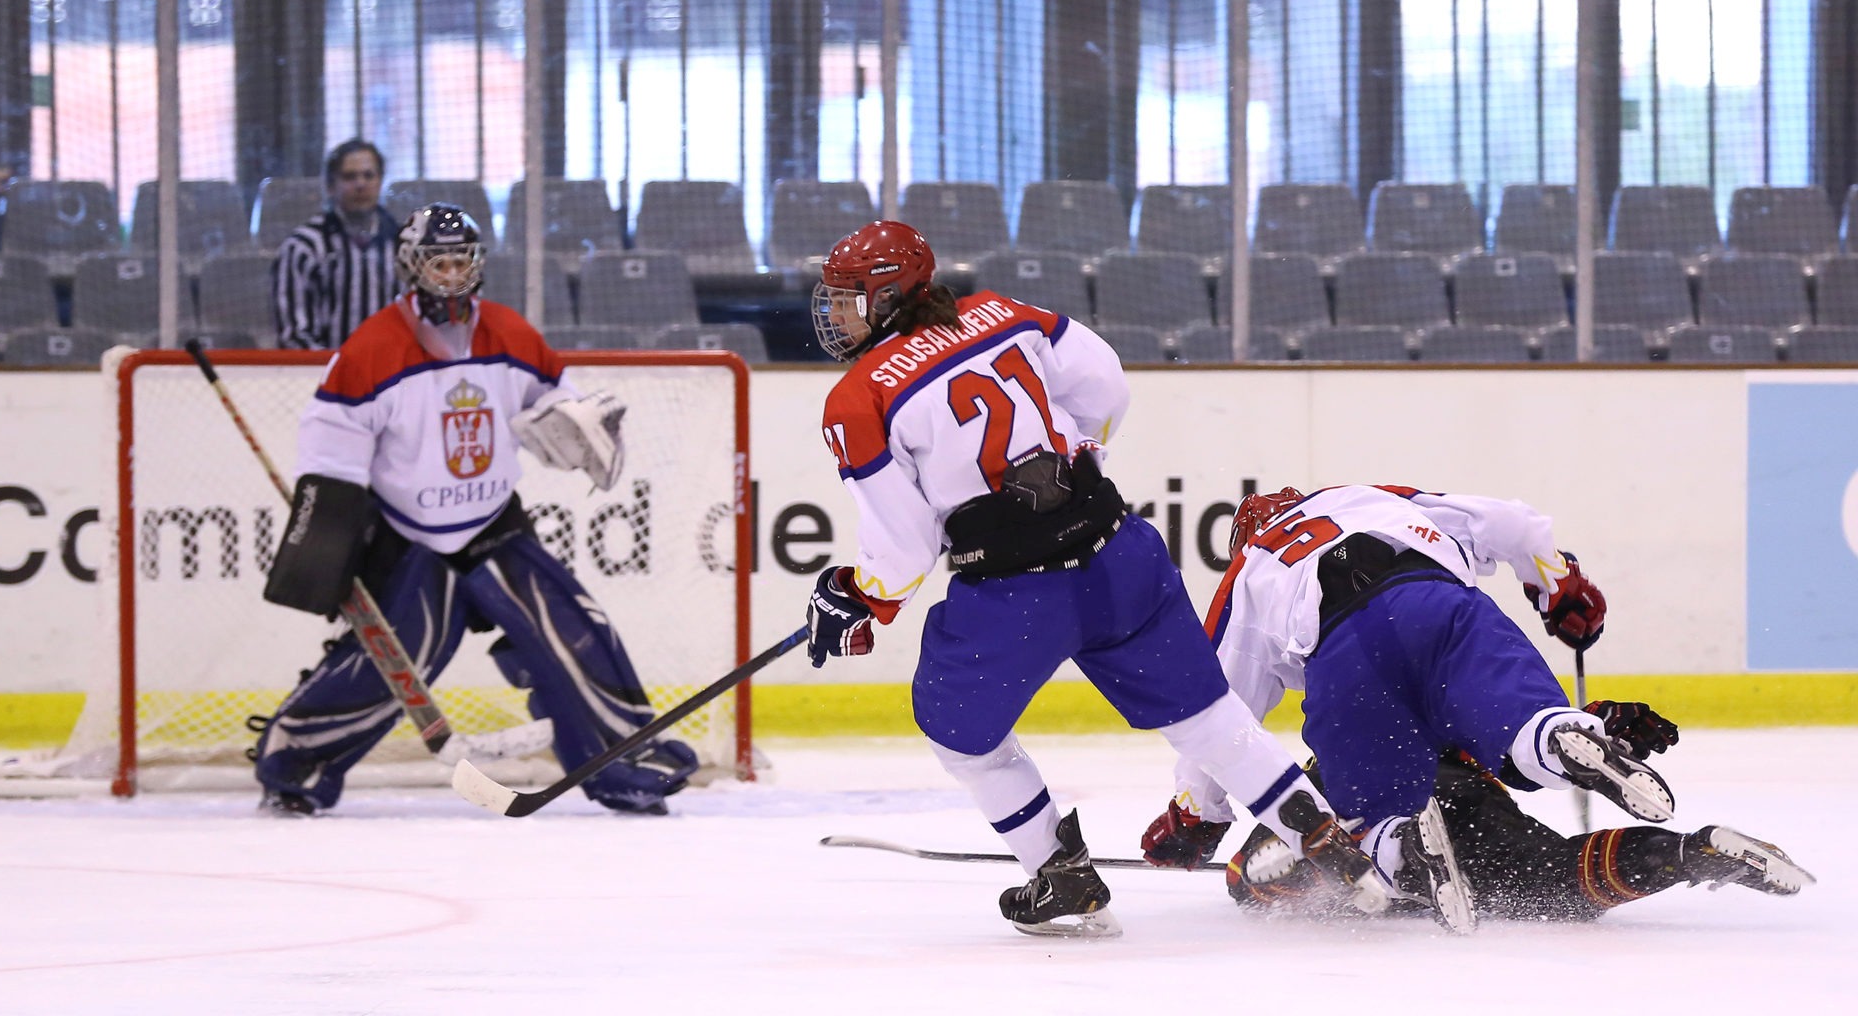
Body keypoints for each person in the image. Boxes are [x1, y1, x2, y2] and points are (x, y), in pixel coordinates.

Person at [802, 221, 1392, 938]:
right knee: (1208, 718)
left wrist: (856, 593)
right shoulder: (1006, 312)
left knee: (962, 738)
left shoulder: (858, 398)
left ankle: (1060, 871)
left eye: (849, 299)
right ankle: (1329, 843)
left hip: (1015, 597)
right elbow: (1107, 385)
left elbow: (902, 552)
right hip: (1121, 556)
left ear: (892, 295)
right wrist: (1079, 457)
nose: (835, 315)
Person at [248, 202, 698, 816]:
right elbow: (332, 445)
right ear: (412, 264)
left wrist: (578, 423)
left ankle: (628, 762)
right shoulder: (371, 348)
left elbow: (558, 401)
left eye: (462, 258)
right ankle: (293, 764)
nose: (452, 271)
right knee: (395, 659)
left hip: (493, 523)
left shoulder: (511, 334)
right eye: (439, 260)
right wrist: (328, 537)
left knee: (572, 632)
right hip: (408, 537)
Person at [1140, 483, 1691, 932]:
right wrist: (1557, 584)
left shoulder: (1249, 574)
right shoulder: (1369, 496)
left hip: (1345, 653)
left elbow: (1216, 710)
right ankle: (1559, 734)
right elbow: (1514, 524)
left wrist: (1196, 814)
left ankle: (1403, 843)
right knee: (1520, 721)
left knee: (1367, 831)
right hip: (1441, 604)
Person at [1215, 738, 1813, 921]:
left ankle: (1324, 850)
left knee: (1254, 884)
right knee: (1556, 884)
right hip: (1471, 793)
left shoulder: (1346, 699)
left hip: (1347, 791)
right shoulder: (1461, 663)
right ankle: (1685, 852)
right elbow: (1519, 755)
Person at [274, 138, 401, 350]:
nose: (360, 184)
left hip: (394, 377)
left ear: (380, 182)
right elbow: (294, 335)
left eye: (369, 175)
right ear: (331, 186)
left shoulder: (403, 244)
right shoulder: (303, 247)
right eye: (349, 177)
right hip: (324, 375)